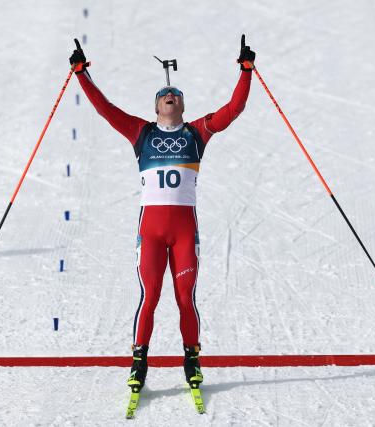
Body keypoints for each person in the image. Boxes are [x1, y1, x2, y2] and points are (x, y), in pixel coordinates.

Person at [69, 35, 255, 392]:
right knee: (150, 295)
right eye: (164, 96)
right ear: (156, 107)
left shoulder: (196, 132)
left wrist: (246, 70)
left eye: (176, 95)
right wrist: (81, 74)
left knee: (185, 297)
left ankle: (192, 358)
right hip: (152, 230)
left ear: (182, 105)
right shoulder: (141, 132)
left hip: (184, 230)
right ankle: (139, 361)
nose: (170, 96)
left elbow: (233, 108)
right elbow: (105, 109)